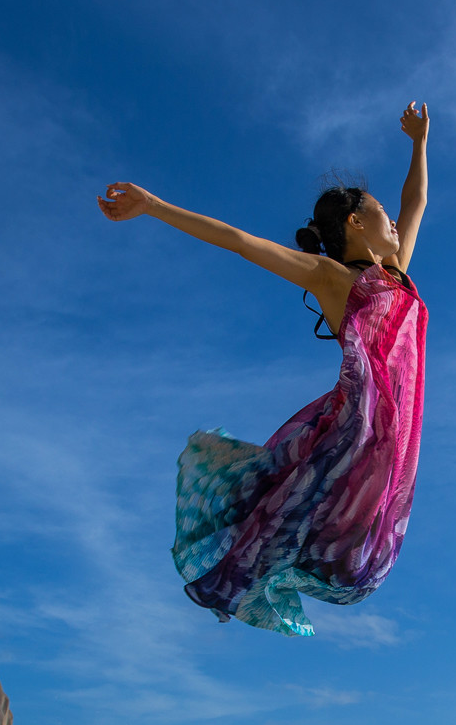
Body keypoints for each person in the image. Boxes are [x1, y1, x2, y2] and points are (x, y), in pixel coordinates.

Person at [97, 103, 431, 635]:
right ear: (354, 221)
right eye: (380, 211)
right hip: (357, 427)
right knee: (296, 512)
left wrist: (419, 142)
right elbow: (239, 241)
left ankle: (292, 556)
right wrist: (153, 205)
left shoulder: (398, 276)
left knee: (359, 551)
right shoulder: (334, 279)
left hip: (395, 440)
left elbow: (416, 203)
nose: (394, 221)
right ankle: (252, 556)